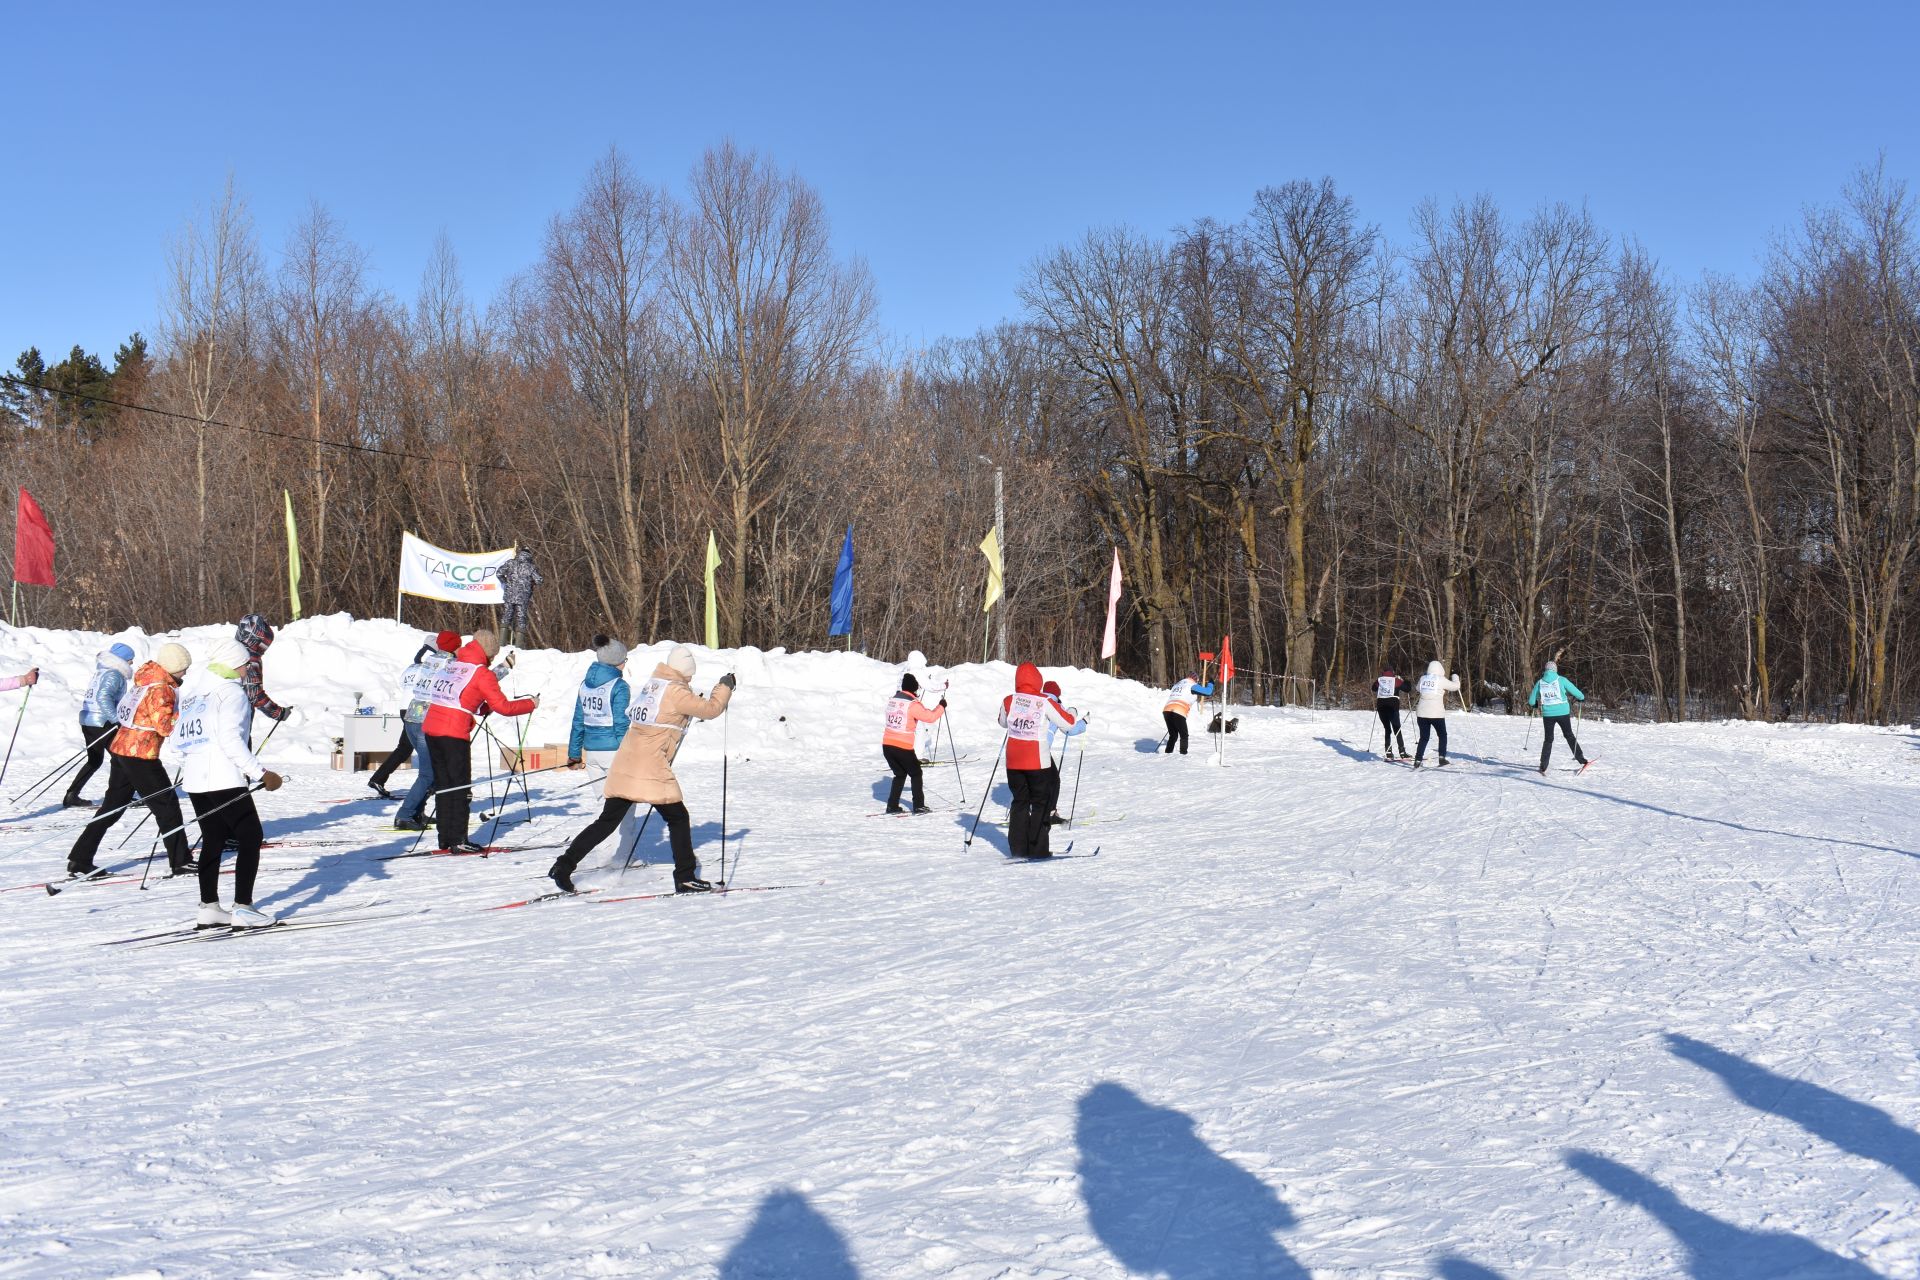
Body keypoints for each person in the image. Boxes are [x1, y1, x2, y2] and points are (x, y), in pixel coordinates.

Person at [549, 644, 733, 894]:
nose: (690, 676)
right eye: (690, 672)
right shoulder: (676, 691)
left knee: (607, 821)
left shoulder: (654, 685)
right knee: (678, 818)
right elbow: (711, 710)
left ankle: (563, 865)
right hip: (649, 767)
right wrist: (724, 687)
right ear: (685, 670)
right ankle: (685, 877)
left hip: (626, 761)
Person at [174, 638, 283, 929]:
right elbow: (231, 740)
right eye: (245, 663)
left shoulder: (194, 695)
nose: (249, 668)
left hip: (196, 781)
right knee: (250, 836)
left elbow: (177, 742)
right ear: (232, 663)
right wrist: (261, 773)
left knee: (214, 838)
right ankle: (243, 907)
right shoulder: (230, 694)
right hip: (223, 779)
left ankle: (208, 907)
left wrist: (194, 767)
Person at [66, 642, 196, 878]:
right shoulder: (161, 688)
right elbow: (165, 726)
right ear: (173, 667)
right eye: (183, 668)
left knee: (113, 806)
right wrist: (187, 714)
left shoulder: (145, 680)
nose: (185, 673)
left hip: (122, 748)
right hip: (140, 753)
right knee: (167, 806)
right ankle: (180, 861)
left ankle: (80, 859)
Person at [421, 629, 539, 853]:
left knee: (444, 785)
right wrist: (531, 704)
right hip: (453, 733)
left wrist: (483, 705)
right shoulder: (481, 672)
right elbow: (504, 707)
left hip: (432, 729)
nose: (493, 659)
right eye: (493, 655)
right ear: (488, 652)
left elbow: (465, 696)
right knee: (461, 787)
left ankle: (445, 838)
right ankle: (459, 840)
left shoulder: (454, 664)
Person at [999, 662, 1085, 858]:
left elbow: (1002, 722)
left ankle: (1018, 849)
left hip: (1013, 760)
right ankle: (1038, 848)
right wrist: (1072, 710)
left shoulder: (1009, 700)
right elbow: (1068, 723)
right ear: (1037, 680)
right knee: (1040, 802)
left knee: (1020, 802)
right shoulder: (1044, 701)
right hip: (1037, 760)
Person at [565, 637, 638, 852]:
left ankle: (600, 851)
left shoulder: (585, 685)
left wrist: (574, 754)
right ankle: (621, 856)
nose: (626, 663)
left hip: (593, 753)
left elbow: (578, 721)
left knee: (603, 804)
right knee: (624, 807)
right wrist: (630, 752)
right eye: (624, 659)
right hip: (614, 753)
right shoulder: (619, 686)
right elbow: (621, 723)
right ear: (617, 662)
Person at [368, 631, 453, 800]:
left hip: (405, 708)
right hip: (420, 707)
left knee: (405, 747)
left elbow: (402, 683)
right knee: (430, 748)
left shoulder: (412, 666)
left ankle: (378, 778)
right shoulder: (432, 665)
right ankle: (431, 783)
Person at [391, 630, 460, 831]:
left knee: (432, 772)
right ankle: (404, 815)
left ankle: (416, 812)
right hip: (426, 722)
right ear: (455, 647)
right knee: (429, 774)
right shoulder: (451, 665)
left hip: (412, 717)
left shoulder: (429, 661)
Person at [69, 648, 133, 807]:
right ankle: (118, 797)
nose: (132, 663)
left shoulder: (101, 672)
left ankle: (72, 794)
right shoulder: (114, 674)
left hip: (89, 721)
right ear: (122, 660)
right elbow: (103, 697)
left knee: (95, 760)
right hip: (103, 722)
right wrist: (116, 719)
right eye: (130, 659)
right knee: (122, 759)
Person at [881, 672, 946, 813]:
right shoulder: (912, 704)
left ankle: (892, 806)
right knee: (916, 773)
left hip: (887, 745)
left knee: (900, 774)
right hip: (902, 745)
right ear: (913, 689)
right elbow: (930, 717)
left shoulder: (892, 700)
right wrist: (941, 706)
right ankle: (918, 805)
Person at [235, 613, 293, 740]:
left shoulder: (229, 652)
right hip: (237, 722)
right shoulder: (248, 658)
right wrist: (278, 713)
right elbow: (254, 694)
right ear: (257, 639)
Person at [1529, 660, 1590, 774]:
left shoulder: (1540, 682)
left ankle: (1543, 765)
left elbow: (1531, 701)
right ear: (1555, 670)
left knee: (1548, 739)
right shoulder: (1561, 680)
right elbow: (1576, 692)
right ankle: (1581, 760)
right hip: (1563, 713)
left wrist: (1535, 704)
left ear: (1546, 670)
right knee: (1569, 736)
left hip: (1548, 715)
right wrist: (1581, 697)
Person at [1410, 660, 1462, 769]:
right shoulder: (1441, 680)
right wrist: (1455, 676)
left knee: (1424, 737)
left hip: (1422, 713)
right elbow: (1455, 687)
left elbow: (1417, 688)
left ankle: (1418, 759)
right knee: (1442, 735)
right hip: (1436, 714)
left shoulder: (1423, 678)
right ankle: (1442, 757)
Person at [496, 548, 543, 648]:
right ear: (529, 556)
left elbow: (499, 573)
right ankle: (519, 646)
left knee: (506, 616)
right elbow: (539, 580)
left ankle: (501, 644)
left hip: (509, 594)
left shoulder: (510, 563)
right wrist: (531, 583)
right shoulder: (531, 567)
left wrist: (506, 582)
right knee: (521, 618)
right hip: (523, 597)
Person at [1161, 672, 1212, 756]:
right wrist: (1211, 683)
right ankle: (1183, 755)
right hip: (1178, 710)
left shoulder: (1178, 684)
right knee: (1184, 735)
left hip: (1167, 710)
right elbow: (1207, 692)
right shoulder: (1192, 685)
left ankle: (1167, 754)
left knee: (1173, 735)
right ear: (1195, 680)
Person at [1373, 666, 1410, 761]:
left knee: (1387, 729)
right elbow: (1407, 689)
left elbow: (1373, 688)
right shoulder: (1395, 680)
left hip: (1381, 708)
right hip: (1392, 708)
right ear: (1392, 672)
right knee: (1397, 729)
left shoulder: (1380, 680)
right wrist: (1405, 681)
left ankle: (1388, 752)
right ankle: (1402, 752)